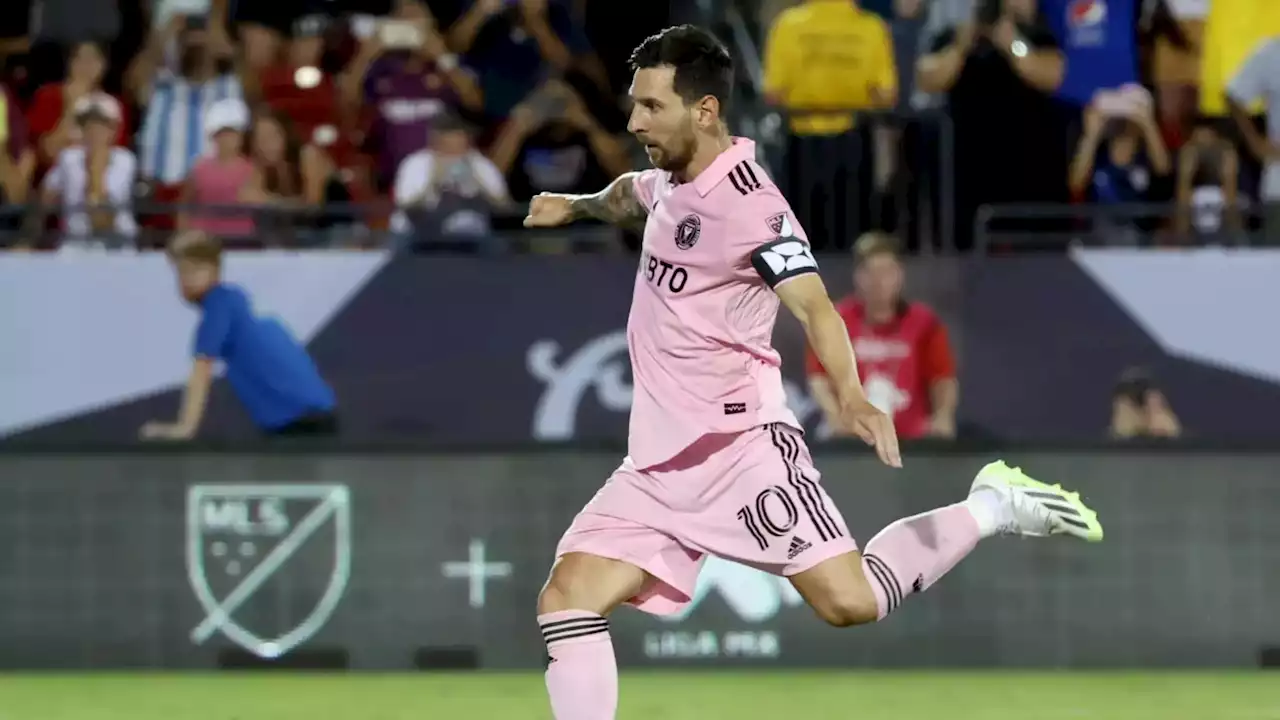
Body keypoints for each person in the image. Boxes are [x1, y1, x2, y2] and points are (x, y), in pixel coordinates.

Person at [522, 25, 1104, 720]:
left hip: (739, 450)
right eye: (635, 104)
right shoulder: (671, 181)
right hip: (654, 465)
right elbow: (631, 193)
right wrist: (576, 204)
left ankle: (990, 505)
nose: (633, 119)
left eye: (651, 106)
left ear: (704, 111)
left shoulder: (752, 206)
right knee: (566, 598)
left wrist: (853, 395)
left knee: (850, 601)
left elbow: (815, 306)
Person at [140, 231, 338, 441]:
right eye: (181, 272)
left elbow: (201, 371)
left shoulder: (218, 308)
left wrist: (184, 428)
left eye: (196, 270)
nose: (187, 280)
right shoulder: (233, 299)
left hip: (300, 423)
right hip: (310, 416)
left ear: (215, 271)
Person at [805, 232, 958, 440]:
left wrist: (942, 416)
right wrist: (833, 416)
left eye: (886, 272)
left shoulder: (924, 323)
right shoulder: (836, 320)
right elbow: (818, 377)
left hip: (911, 440)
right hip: (852, 440)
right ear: (858, 276)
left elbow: (942, 378)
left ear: (899, 275)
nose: (879, 281)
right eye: (871, 272)